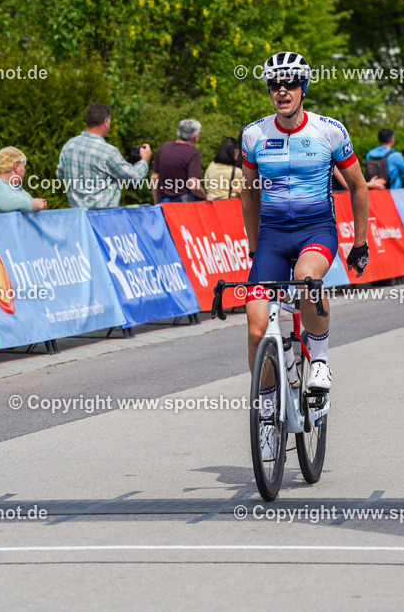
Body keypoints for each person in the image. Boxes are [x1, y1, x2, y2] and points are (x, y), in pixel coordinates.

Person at [240, 51, 369, 460]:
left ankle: (320, 360)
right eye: (275, 84)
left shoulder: (329, 131)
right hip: (274, 235)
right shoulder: (253, 135)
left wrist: (359, 242)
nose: (282, 90)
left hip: (317, 230)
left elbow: (359, 186)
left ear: (303, 88)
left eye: (291, 83)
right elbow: (249, 192)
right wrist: (254, 245)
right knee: (257, 323)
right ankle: (266, 417)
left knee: (308, 282)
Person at [56, 101, 151, 209]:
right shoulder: (107, 152)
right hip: (102, 220)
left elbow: (60, 175)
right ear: (106, 122)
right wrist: (144, 160)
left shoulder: (68, 146)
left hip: (78, 220)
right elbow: (135, 176)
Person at [152, 119, 211, 203]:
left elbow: (154, 178)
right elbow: (193, 185)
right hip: (183, 204)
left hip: (164, 202)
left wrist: (156, 201)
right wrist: (205, 196)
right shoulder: (193, 153)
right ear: (195, 136)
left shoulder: (164, 147)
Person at [0, 146, 48, 213]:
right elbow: (11, 203)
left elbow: (29, 200)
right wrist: (35, 205)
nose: (24, 170)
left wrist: (39, 204)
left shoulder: (16, 187)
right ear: (16, 167)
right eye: (23, 166)